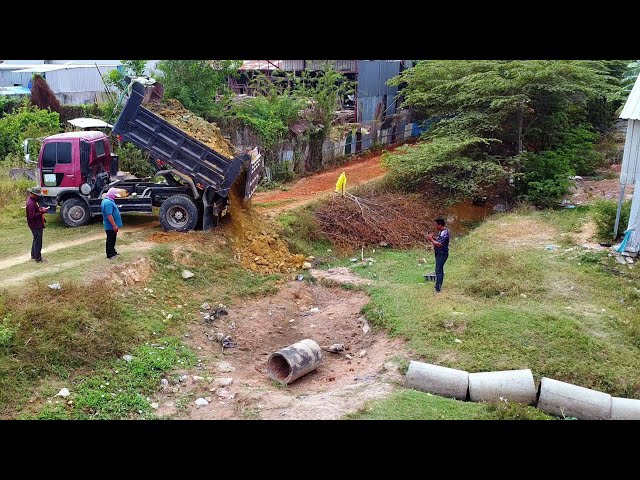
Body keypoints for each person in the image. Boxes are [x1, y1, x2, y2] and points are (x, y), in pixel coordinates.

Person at [426, 218, 450, 293]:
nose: (435, 226)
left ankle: (438, 288)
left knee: (438, 270)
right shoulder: (441, 232)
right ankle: (438, 286)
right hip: (439, 253)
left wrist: (431, 239)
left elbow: (438, 244)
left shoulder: (445, 233)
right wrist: (433, 238)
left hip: (442, 254)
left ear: (440, 225)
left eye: (436, 225)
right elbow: (439, 240)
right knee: (439, 269)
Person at [26, 187, 49, 263]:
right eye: (36, 194)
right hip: (35, 224)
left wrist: (41, 209)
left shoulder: (33, 200)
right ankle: (38, 258)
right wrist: (42, 212)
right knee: (38, 241)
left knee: (36, 239)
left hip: (36, 223)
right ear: (32, 194)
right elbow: (32, 216)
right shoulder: (30, 204)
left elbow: (36, 210)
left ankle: (33, 255)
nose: (38, 196)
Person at [101, 187, 122, 259]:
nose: (115, 196)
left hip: (111, 225)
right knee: (110, 239)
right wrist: (114, 225)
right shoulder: (107, 203)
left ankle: (113, 252)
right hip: (110, 225)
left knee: (113, 239)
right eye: (114, 195)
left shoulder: (109, 201)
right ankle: (110, 255)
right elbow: (109, 215)